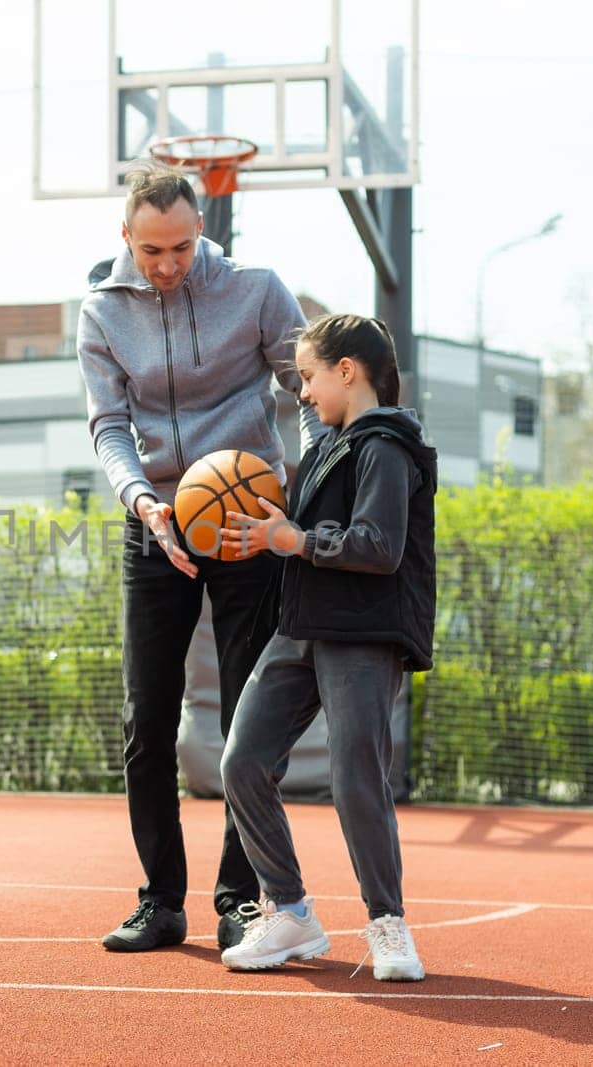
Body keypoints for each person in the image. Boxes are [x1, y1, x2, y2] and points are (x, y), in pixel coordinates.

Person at [77, 161, 322, 952]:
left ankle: (239, 899)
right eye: (152, 250)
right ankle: (161, 899)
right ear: (127, 239)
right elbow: (109, 424)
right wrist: (140, 499)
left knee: (250, 718)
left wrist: (307, 489)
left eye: (181, 246)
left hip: (250, 515)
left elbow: (308, 392)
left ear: (200, 228)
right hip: (156, 519)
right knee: (146, 717)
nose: (169, 263)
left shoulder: (255, 288)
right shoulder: (101, 311)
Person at [215, 313, 436, 981]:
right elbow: (298, 533)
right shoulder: (326, 448)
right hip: (303, 625)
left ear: (348, 370)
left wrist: (297, 541)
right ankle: (290, 911)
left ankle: (388, 922)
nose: (302, 392)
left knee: (356, 779)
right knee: (242, 761)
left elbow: (379, 544)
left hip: (362, 630)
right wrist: (272, 534)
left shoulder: (387, 446)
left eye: (309, 377)